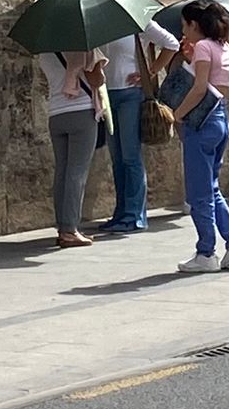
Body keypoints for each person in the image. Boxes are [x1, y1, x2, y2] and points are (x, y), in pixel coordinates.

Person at [173, 1, 229, 274]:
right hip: (220, 119)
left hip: (202, 124)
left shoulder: (205, 47)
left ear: (195, 25)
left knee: (198, 193)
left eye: (185, 25)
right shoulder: (222, 46)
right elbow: (223, 83)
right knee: (212, 187)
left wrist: (177, 114)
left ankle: (206, 251)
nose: (183, 30)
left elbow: (198, 89)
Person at [92, 14, 177, 233]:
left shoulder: (138, 19)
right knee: (117, 157)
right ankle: (121, 212)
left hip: (131, 94)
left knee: (130, 155)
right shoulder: (99, 22)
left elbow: (171, 44)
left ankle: (135, 215)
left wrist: (150, 71)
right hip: (107, 94)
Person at [36, 48, 102, 248]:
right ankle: (70, 229)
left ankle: (63, 225)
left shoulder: (44, 53)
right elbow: (96, 80)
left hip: (56, 113)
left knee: (62, 171)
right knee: (77, 173)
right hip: (81, 111)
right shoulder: (82, 48)